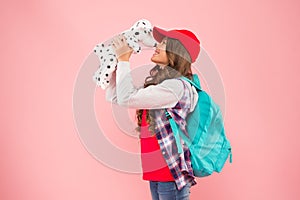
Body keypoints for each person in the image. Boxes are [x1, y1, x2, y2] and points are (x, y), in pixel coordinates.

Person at [107, 26, 201, 200]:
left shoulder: (176, 87)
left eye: (164, 43)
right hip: (159, 173)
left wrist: (124, 60)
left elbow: (126, 98)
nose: (157, 45)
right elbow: (117, 97)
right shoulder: (164, 86)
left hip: (170, 175)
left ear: (175, 52)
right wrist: (115, 68)